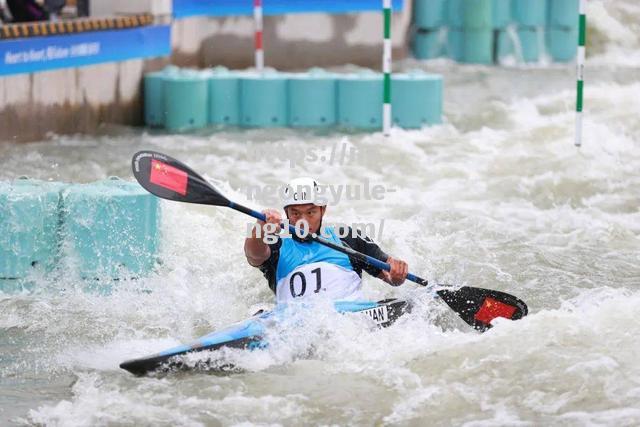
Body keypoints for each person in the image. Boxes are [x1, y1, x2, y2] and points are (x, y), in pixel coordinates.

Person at [244, 177, 409, 304]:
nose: (303, 221)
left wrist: (396, 275)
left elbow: (389, 274)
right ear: (286, 214)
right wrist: (261, 227)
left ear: (323, 210)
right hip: (293, 324)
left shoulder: (347, 238)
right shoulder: (275, 243)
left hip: (351, 320)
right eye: (295, 213)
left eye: (311, 213)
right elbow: (254, 255)